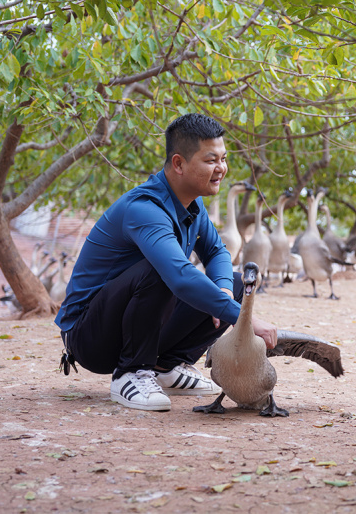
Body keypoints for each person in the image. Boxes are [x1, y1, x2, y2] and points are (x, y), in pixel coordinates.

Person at [55, 113, 277, 412]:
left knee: (235, 284)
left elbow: (217, 253)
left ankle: (165, 368)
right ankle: (130, 373)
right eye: (211, 160)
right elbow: (180, 277)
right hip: (89, 336)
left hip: (129, 325)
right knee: (161, 272)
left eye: (224, 159)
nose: (221, 169)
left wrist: (224, 292)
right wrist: (245, 319)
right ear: (178, 164)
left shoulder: (193, 205)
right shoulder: (145, 209)